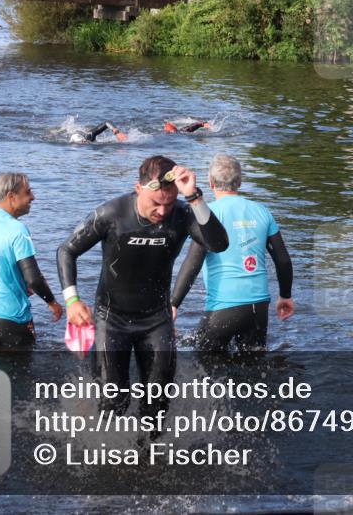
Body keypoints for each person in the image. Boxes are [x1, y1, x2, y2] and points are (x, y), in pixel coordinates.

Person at [57, 155, 229, 417]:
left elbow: (219, 244)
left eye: (169, 203)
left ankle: (149, 453)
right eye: (156, 203)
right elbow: (66, 250)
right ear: (139, 189)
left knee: (156, 406)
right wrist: (72, 300)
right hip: (111, 320)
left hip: (156, 321)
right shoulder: (112, 214)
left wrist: (193, 196)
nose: (162, 212)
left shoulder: (182, 215)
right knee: (115, 403)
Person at [172, 154, 293, 352]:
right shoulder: (262, 211)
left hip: (223, 308)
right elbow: (283, 260)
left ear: (211, 183)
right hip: (259, 308)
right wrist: (285, 296)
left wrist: (174, 303)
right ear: (240, 181)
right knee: (254, 373)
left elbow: (192, 263)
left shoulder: (207, 215)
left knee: (204, 369)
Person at [0, 172, 63, 349]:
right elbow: (33, 278)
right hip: (12, 318)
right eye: (28, 192)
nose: (33, 197)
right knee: (23, 374)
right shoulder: (17, 230)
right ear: (11, 196)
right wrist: (53, 303)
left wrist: (4, 282)